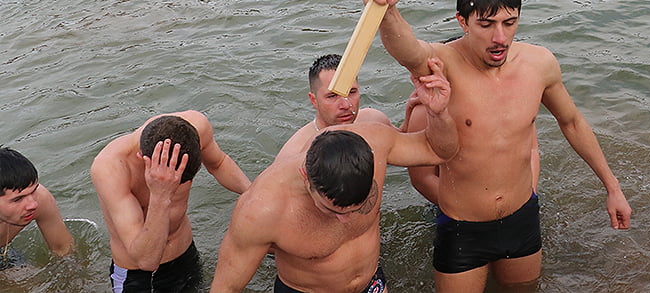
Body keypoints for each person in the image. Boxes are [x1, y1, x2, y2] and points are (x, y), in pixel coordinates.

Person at [364, 0, 631, 292]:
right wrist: (386, 7)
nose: (500, 37)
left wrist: (612, 187)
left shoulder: (539, 64)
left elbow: (572, 122)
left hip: (522, 219)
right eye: (486, 25)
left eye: (510, 22)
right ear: (462, 22)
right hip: (463, 228)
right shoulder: (444, 63)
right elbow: (407, 50)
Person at [210, 59, 458, 293]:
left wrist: (439, 113)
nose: (347, 220)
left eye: (356, 208)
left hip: (371, 282)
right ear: (306, 177)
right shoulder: (261, 209)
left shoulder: (376, 139)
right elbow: (226, 287)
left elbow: (438, 151)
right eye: (333, 210)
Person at [91, 111, 250, 293]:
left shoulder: (196, 127)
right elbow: (145, 260)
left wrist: (255, 196)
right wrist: (160, 194)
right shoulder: (110, 169)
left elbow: (219, 163)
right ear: (142, 157)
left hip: (185, 256)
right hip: (137, 275)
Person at [276, 54, 392, 160]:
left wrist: (409, 116)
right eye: (332, 96)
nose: (346, 105)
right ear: (314, 100)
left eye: (351, 92)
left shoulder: (374, 121)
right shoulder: (296, 155)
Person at [0, 147, 74, 263]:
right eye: (18, 199)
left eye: (33, 191)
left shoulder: (41, 198)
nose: (33, 204)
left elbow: (63, 249)